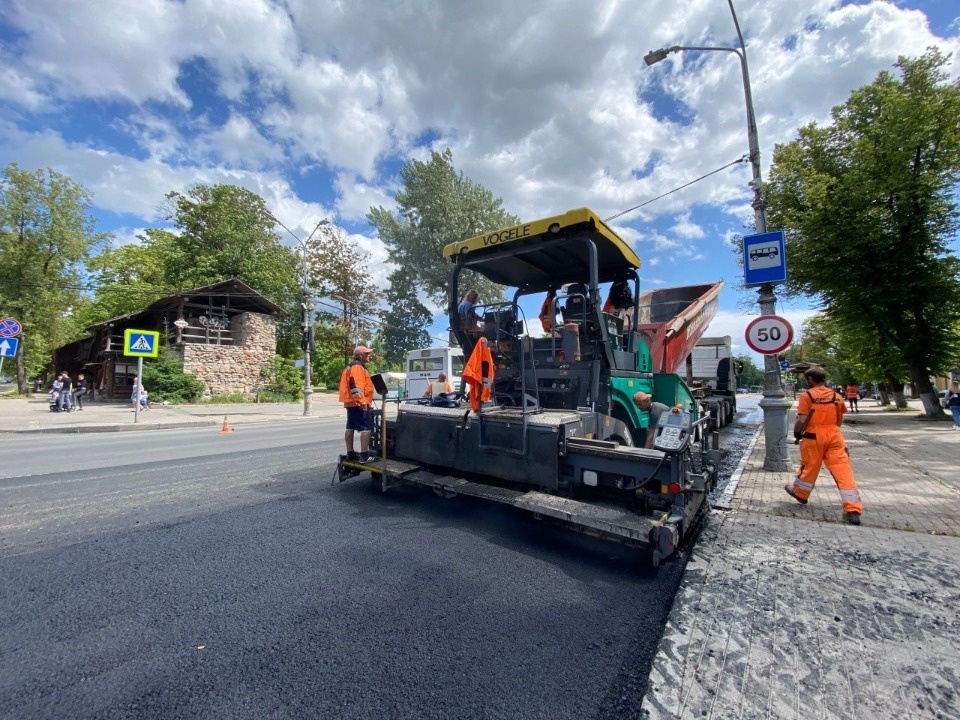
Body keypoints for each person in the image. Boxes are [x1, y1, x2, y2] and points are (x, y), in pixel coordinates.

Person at [785, 365, 863, 525]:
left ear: (810, 379)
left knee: (809, 467)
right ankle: (852, 510)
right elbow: (839, 420)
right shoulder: (836, 396)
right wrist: (831, 430)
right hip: (835, 436)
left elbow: (801, 420)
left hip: (813, 436)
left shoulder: (807, 396)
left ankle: (800, 493)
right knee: (843, 471)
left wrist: (797, 433)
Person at [339, 345, 375, 462]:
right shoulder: (357, 367)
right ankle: (364, 456)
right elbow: (356, 385)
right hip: (358, 403)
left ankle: (350, 454)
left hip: (351, 403)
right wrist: (362, 401)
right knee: (366, 428)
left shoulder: (352, 366)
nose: (369, 355)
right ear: (360, 355)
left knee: (350, 427)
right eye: (367, 353)